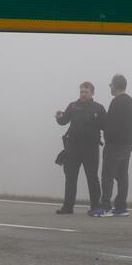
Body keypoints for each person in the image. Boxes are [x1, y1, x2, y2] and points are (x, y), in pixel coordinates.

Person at [52, 80, 104, 215]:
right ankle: (67, 207)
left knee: (92, 178)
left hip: (91, 148)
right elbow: (64, 121)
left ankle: (95, 206)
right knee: (70, 178)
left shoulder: (98, 108)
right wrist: (59, 117)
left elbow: (105, 126)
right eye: (81, 91)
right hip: (73, 148)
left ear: (92, 93)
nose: (83, 94)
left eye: (86, 92)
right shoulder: (73, 106)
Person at [100, 74, 132, 217]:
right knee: (122, 175)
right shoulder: (131, 102)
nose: (110, 87)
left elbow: (111, 124)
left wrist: (105, 131)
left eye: (110, 85)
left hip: (114, 145)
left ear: (115, 86)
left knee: (107, 175)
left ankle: (105, 207)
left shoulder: (117, 102)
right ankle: (121, 206)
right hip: (128, 144)